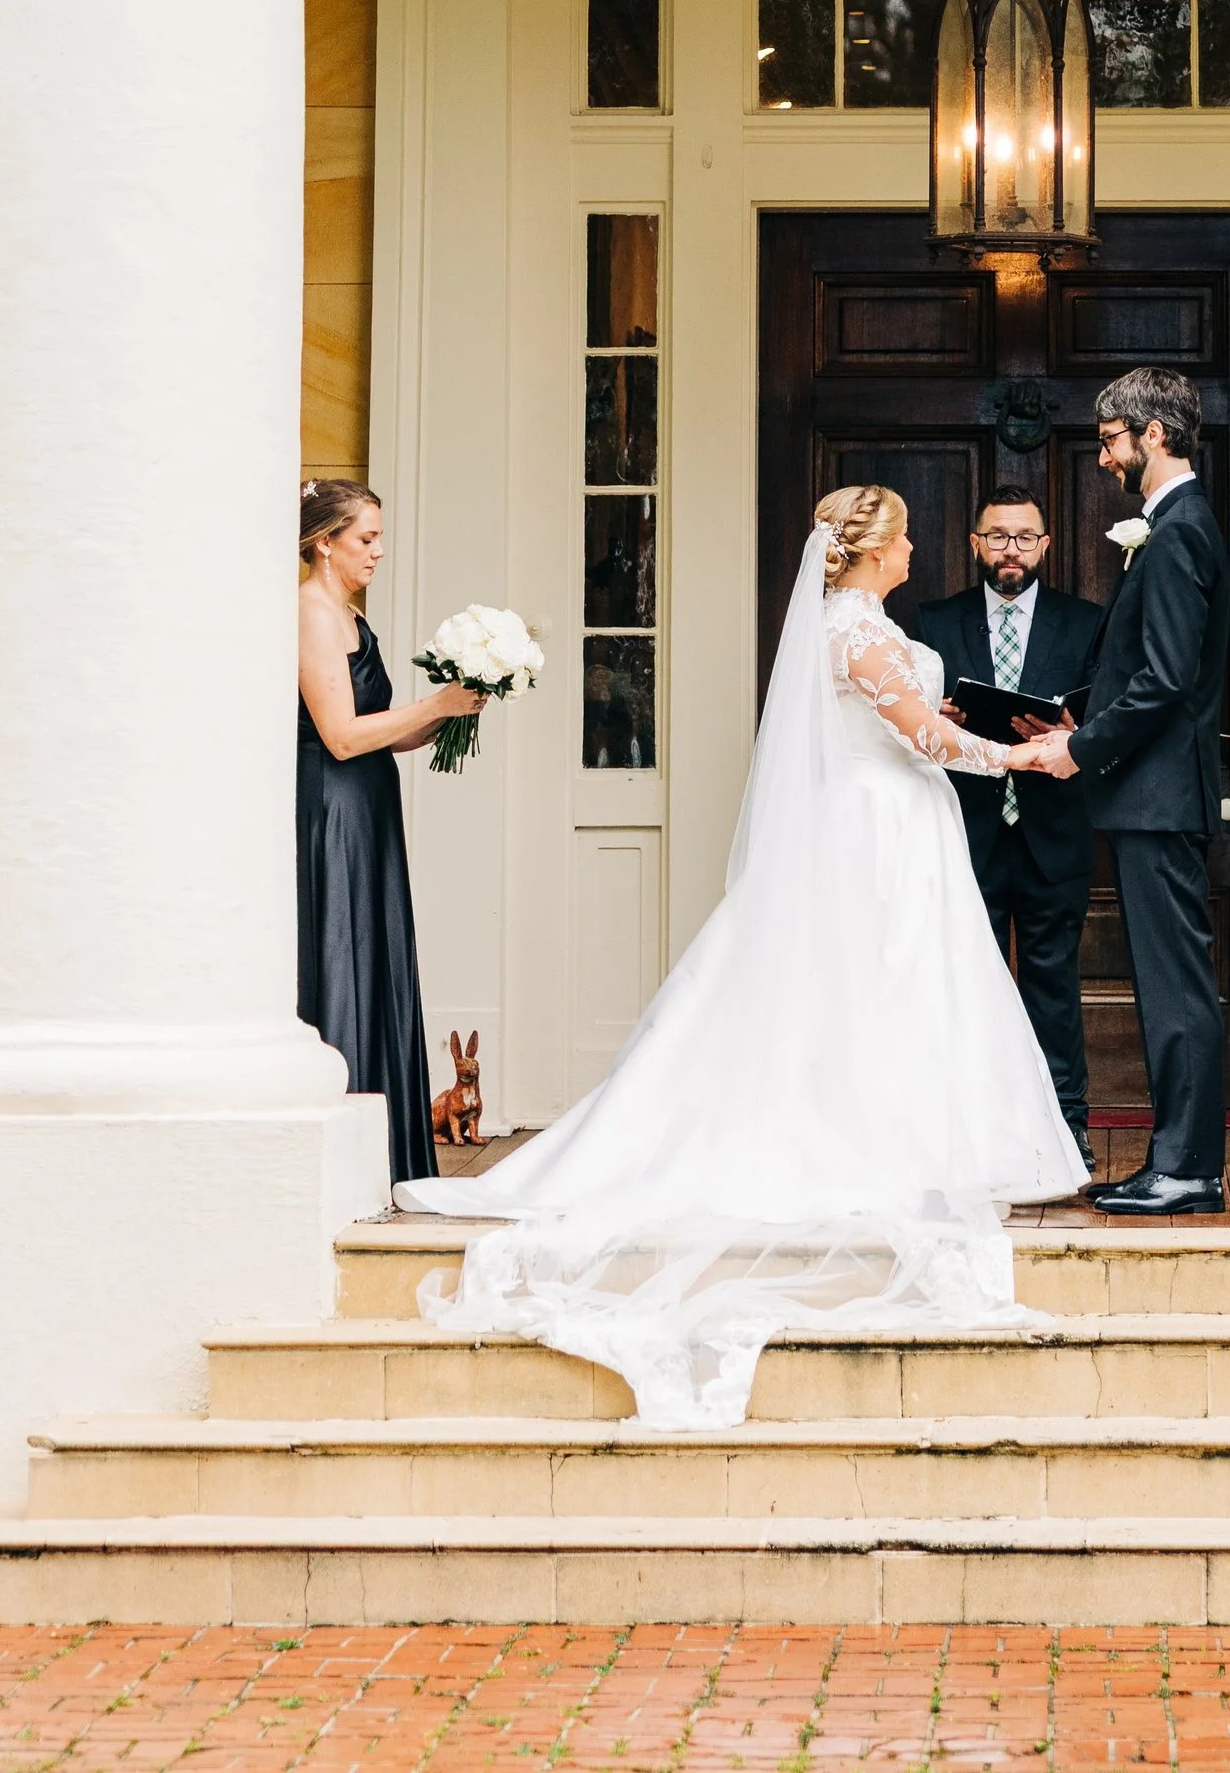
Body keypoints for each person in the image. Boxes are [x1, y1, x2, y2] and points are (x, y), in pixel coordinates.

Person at [398, 482, 1083, 1422]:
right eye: (909, 536)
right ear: (875, 549)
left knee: (889, 990)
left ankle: (894, 1130)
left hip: (887, 820)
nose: (919, 549)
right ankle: (864, 1141)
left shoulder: (856, 625)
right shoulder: (858, 633)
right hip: (873, 831)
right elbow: (922, 734)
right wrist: (1023, 756)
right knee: (874, 984)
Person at [1018, 367, 1229, 1218]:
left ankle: (1186, 1168)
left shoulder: (1177, 531)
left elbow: (1170, 679)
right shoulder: (1172, 525)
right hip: (1148, 791)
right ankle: (1179, 1161)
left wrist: (1082, 750)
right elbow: (1142, 670)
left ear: (1155, 433)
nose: (1104, 458)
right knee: (1167, 981)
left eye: (1111, 439)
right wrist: (1073, 717)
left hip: (1157, 793)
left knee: (1175, 986)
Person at [296, 479, 483, 1186]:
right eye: (365, 538)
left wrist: (456, 708)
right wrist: (432, 700)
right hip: (333, 809)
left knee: (375, 956)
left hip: (370, 807)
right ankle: (347, 1158)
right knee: (342, 953)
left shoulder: (348, 615)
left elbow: (385, 738)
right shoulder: (311, 614)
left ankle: (388, 1155)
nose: (378, 550)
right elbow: (342, 738)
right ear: (325, 543)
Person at [918, 487, 1108, 1163]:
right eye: (997, 537)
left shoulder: (1085, 621)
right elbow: (910, 714)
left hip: (1052, 825)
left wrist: (1072, 728)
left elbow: (1103, 715)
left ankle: (1066, 1129)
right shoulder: (932, 621)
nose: (1011, 551)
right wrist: (939, 715)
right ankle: (973, 1130)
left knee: (1052, 979)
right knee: (970, 982)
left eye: (1025, 538)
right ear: (974, 544)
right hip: (965, 827)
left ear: (1046, 545)